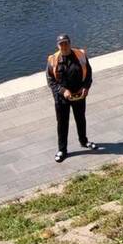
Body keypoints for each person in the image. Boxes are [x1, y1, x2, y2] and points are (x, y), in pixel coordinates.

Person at [46, 34, 100, 163]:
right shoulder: (53, 60)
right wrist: (63, 91)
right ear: (57, 46)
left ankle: (84, 141)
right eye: (61, 44)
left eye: (66, 43)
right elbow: (50, 81)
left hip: (79, 95)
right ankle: (62, 150)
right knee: (62, 123)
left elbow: (88, 73)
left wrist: (86, 88)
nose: (64, 46)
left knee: (80, 119)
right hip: (62, 98)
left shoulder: (80, 55)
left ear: (70, 43)